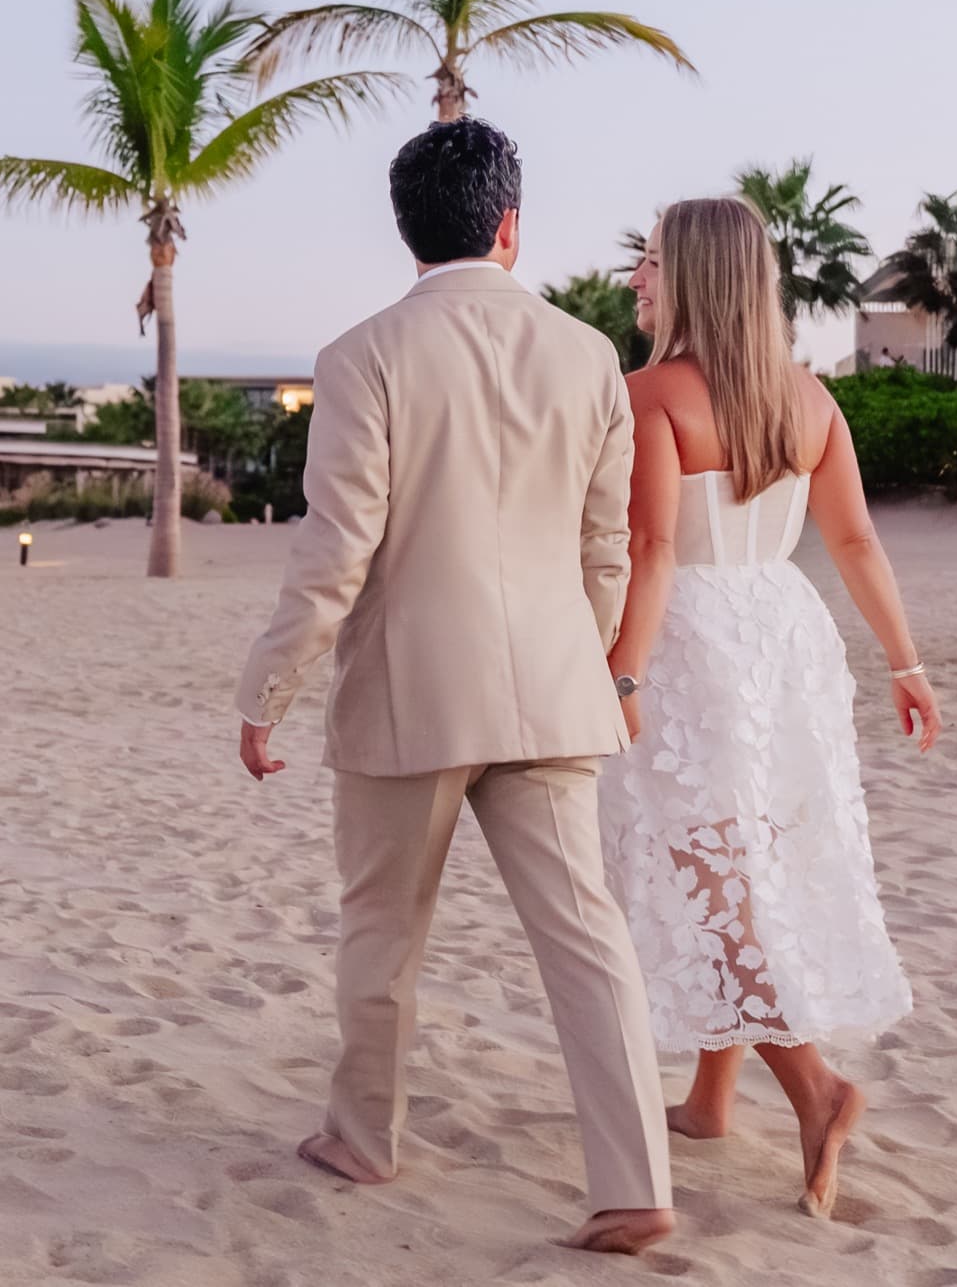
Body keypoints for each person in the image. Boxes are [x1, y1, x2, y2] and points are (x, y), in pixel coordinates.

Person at [233, 118, 676, 1255]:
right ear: (511, 225)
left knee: (382, 930)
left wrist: (267, 688)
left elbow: (337, 550)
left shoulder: (361, 355)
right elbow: (605, 548)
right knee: (587, 935)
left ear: (406, 230)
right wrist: (593, 665)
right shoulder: (588, 358)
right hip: (552, 687)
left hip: (410, 690)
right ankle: (634, 1182)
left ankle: (365, 1139)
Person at [598, 196, 941, 1221]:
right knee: (748, 860)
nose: (637, 281)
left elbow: (654, 552)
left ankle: (817, 1088)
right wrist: (904, 661)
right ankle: (711, 1097)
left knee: (710, 879)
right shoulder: (810, 398)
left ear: (692, 276)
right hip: (785, 637)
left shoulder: (649, 393)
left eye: (650, 262)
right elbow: (855, 544)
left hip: (692, 642)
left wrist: (621, 672)